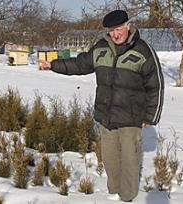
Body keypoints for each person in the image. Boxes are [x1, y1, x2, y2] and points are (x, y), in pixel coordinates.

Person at [40, 10, 164, 202]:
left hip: (131, 117)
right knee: (109, 158)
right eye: (112, 30)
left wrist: (151, 116)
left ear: (128, 25)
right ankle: (114, 191)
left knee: (130, 160)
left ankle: (128, 197)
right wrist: (53, 65)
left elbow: (155, 85)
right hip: (106, 115)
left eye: (119, 28)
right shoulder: (101, 49)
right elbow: (80, 64)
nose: (116, 34)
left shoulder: (143, 50)